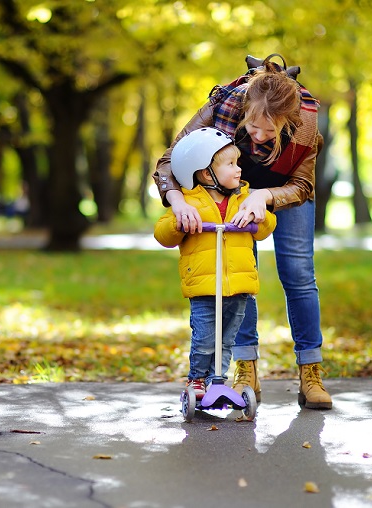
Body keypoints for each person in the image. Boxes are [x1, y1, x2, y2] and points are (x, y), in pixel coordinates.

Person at [153, 54, 332, 409]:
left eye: (271, 130)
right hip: (231, 191)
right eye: (253, 126)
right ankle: (245, 366)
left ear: (289, 120)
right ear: (244, 108)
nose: (260, 135)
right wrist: (179, 202)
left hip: (283, 192)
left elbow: (302, 185)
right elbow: (168, 160)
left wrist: (263, 196)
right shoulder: (222, 105)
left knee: (298, 274)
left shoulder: (307, 126)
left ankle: (310, 370)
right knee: (235, 273)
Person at [154, 127, 276, 400]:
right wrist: (179, 220)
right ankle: (198, 379)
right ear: (206, 173)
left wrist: (259, 215)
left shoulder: (244, 199)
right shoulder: (188, 202)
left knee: (226, 340)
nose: (239, 170)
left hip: (238, 287)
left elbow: (267, 227)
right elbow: (163, 233)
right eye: (231, 164)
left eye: (237, 163)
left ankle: (217, 382)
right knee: (205, 339)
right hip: (205, 286)